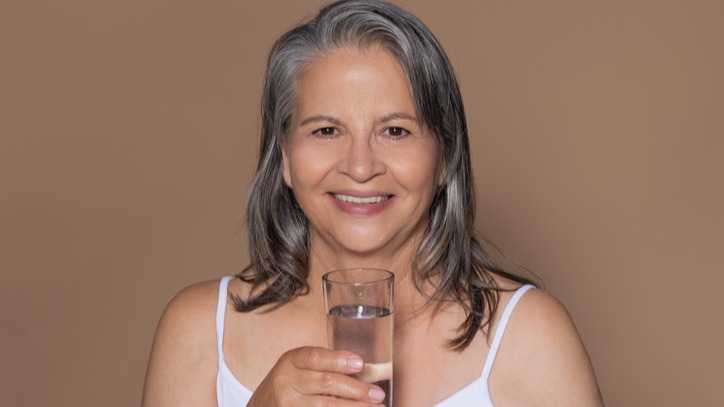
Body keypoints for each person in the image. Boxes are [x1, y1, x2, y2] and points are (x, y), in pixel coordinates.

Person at [142, 1, 604, 405]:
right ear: (283, 157)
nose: (360, 167)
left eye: (395, 131)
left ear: (445, 157)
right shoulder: (199, 332)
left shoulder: (528, 337)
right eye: (326, 130)